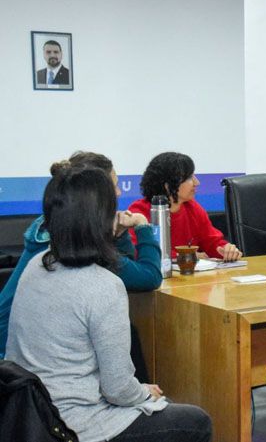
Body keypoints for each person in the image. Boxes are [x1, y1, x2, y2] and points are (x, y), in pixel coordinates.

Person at [5, 166, 212, 442]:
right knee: (196, 421)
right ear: (101, 219)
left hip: (29, 412)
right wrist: (142, 392)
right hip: (75, 424)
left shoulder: (37, 265)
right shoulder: (103, 285)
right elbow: (118, 390)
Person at [0, 151, 161, 360]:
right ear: (94, 195)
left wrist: (119, 235)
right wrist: (142, 226)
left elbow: (124, 272)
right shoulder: (77, 247)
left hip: (22, 353)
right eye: (113, 186)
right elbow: (149, 277)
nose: (119, 192)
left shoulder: (52, 228)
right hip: (16, 361)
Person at [129, 151, 241, 261]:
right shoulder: (139, 212)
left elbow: (212, 242)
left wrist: (226, 250)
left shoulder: (193, 208)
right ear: (168, 185)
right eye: (189, 178)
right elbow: (135, 251)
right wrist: (183, 256)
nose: (197, 183)